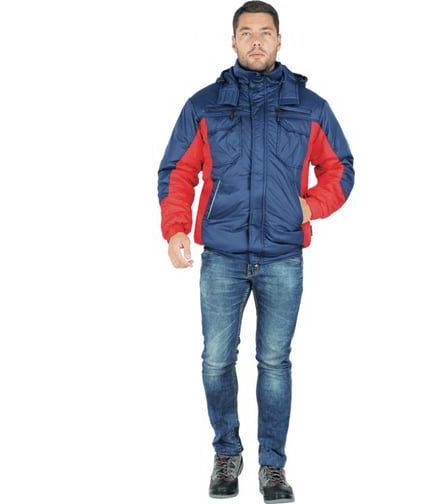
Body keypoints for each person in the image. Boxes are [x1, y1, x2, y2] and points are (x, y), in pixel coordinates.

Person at [157, 1, 354, 502]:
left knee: (275, 363)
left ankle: (273, 466)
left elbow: (340, 168)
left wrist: (310, 207)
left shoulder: (309, 107)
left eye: (266, 32)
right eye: (246, 33)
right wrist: (175, 229)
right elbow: (178, 171)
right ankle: (227, 452)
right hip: (221, 256)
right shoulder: (204, 104)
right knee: (216, 360)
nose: (257, 41)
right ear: (233, 41)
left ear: (280, 40)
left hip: (282, 256)